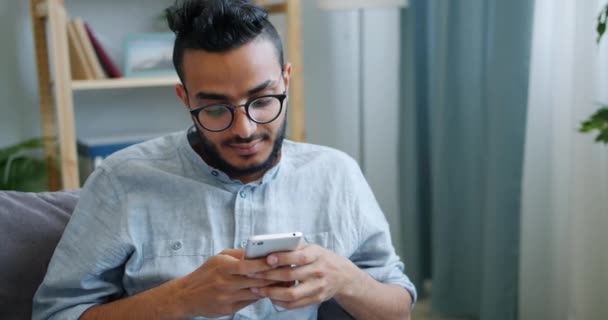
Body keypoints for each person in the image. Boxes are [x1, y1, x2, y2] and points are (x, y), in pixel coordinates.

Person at [32, 0, 416, 319]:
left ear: (286, 80)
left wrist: (346, 279)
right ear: (185, 99)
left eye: (263, 101)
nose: (245, 130)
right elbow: (54, 314)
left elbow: (398, 309)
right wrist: (179, 298)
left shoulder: (336, 175)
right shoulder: (122, 180)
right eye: (216, 109)